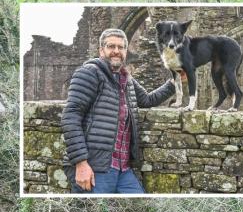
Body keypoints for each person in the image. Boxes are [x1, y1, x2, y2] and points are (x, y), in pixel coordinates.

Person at [61, 28, 176, 194]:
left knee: (141, 208)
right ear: (101, 50)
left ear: (125, 51)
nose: (116, 51)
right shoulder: (89, 73)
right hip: (95, 167)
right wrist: (81, 163)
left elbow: (146, 100)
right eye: (111, 46)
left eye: (121, 47)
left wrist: (174, 82)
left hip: (123, 169)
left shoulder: (126, 78)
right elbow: (70, 117)